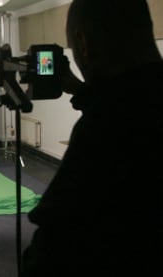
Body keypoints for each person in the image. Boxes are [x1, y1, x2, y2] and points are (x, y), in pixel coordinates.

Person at [21, 0, 163, 276]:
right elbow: (132, 98)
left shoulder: (103, 128)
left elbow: (53, 249)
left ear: (83, 42)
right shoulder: (135, 105)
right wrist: (81, 90)